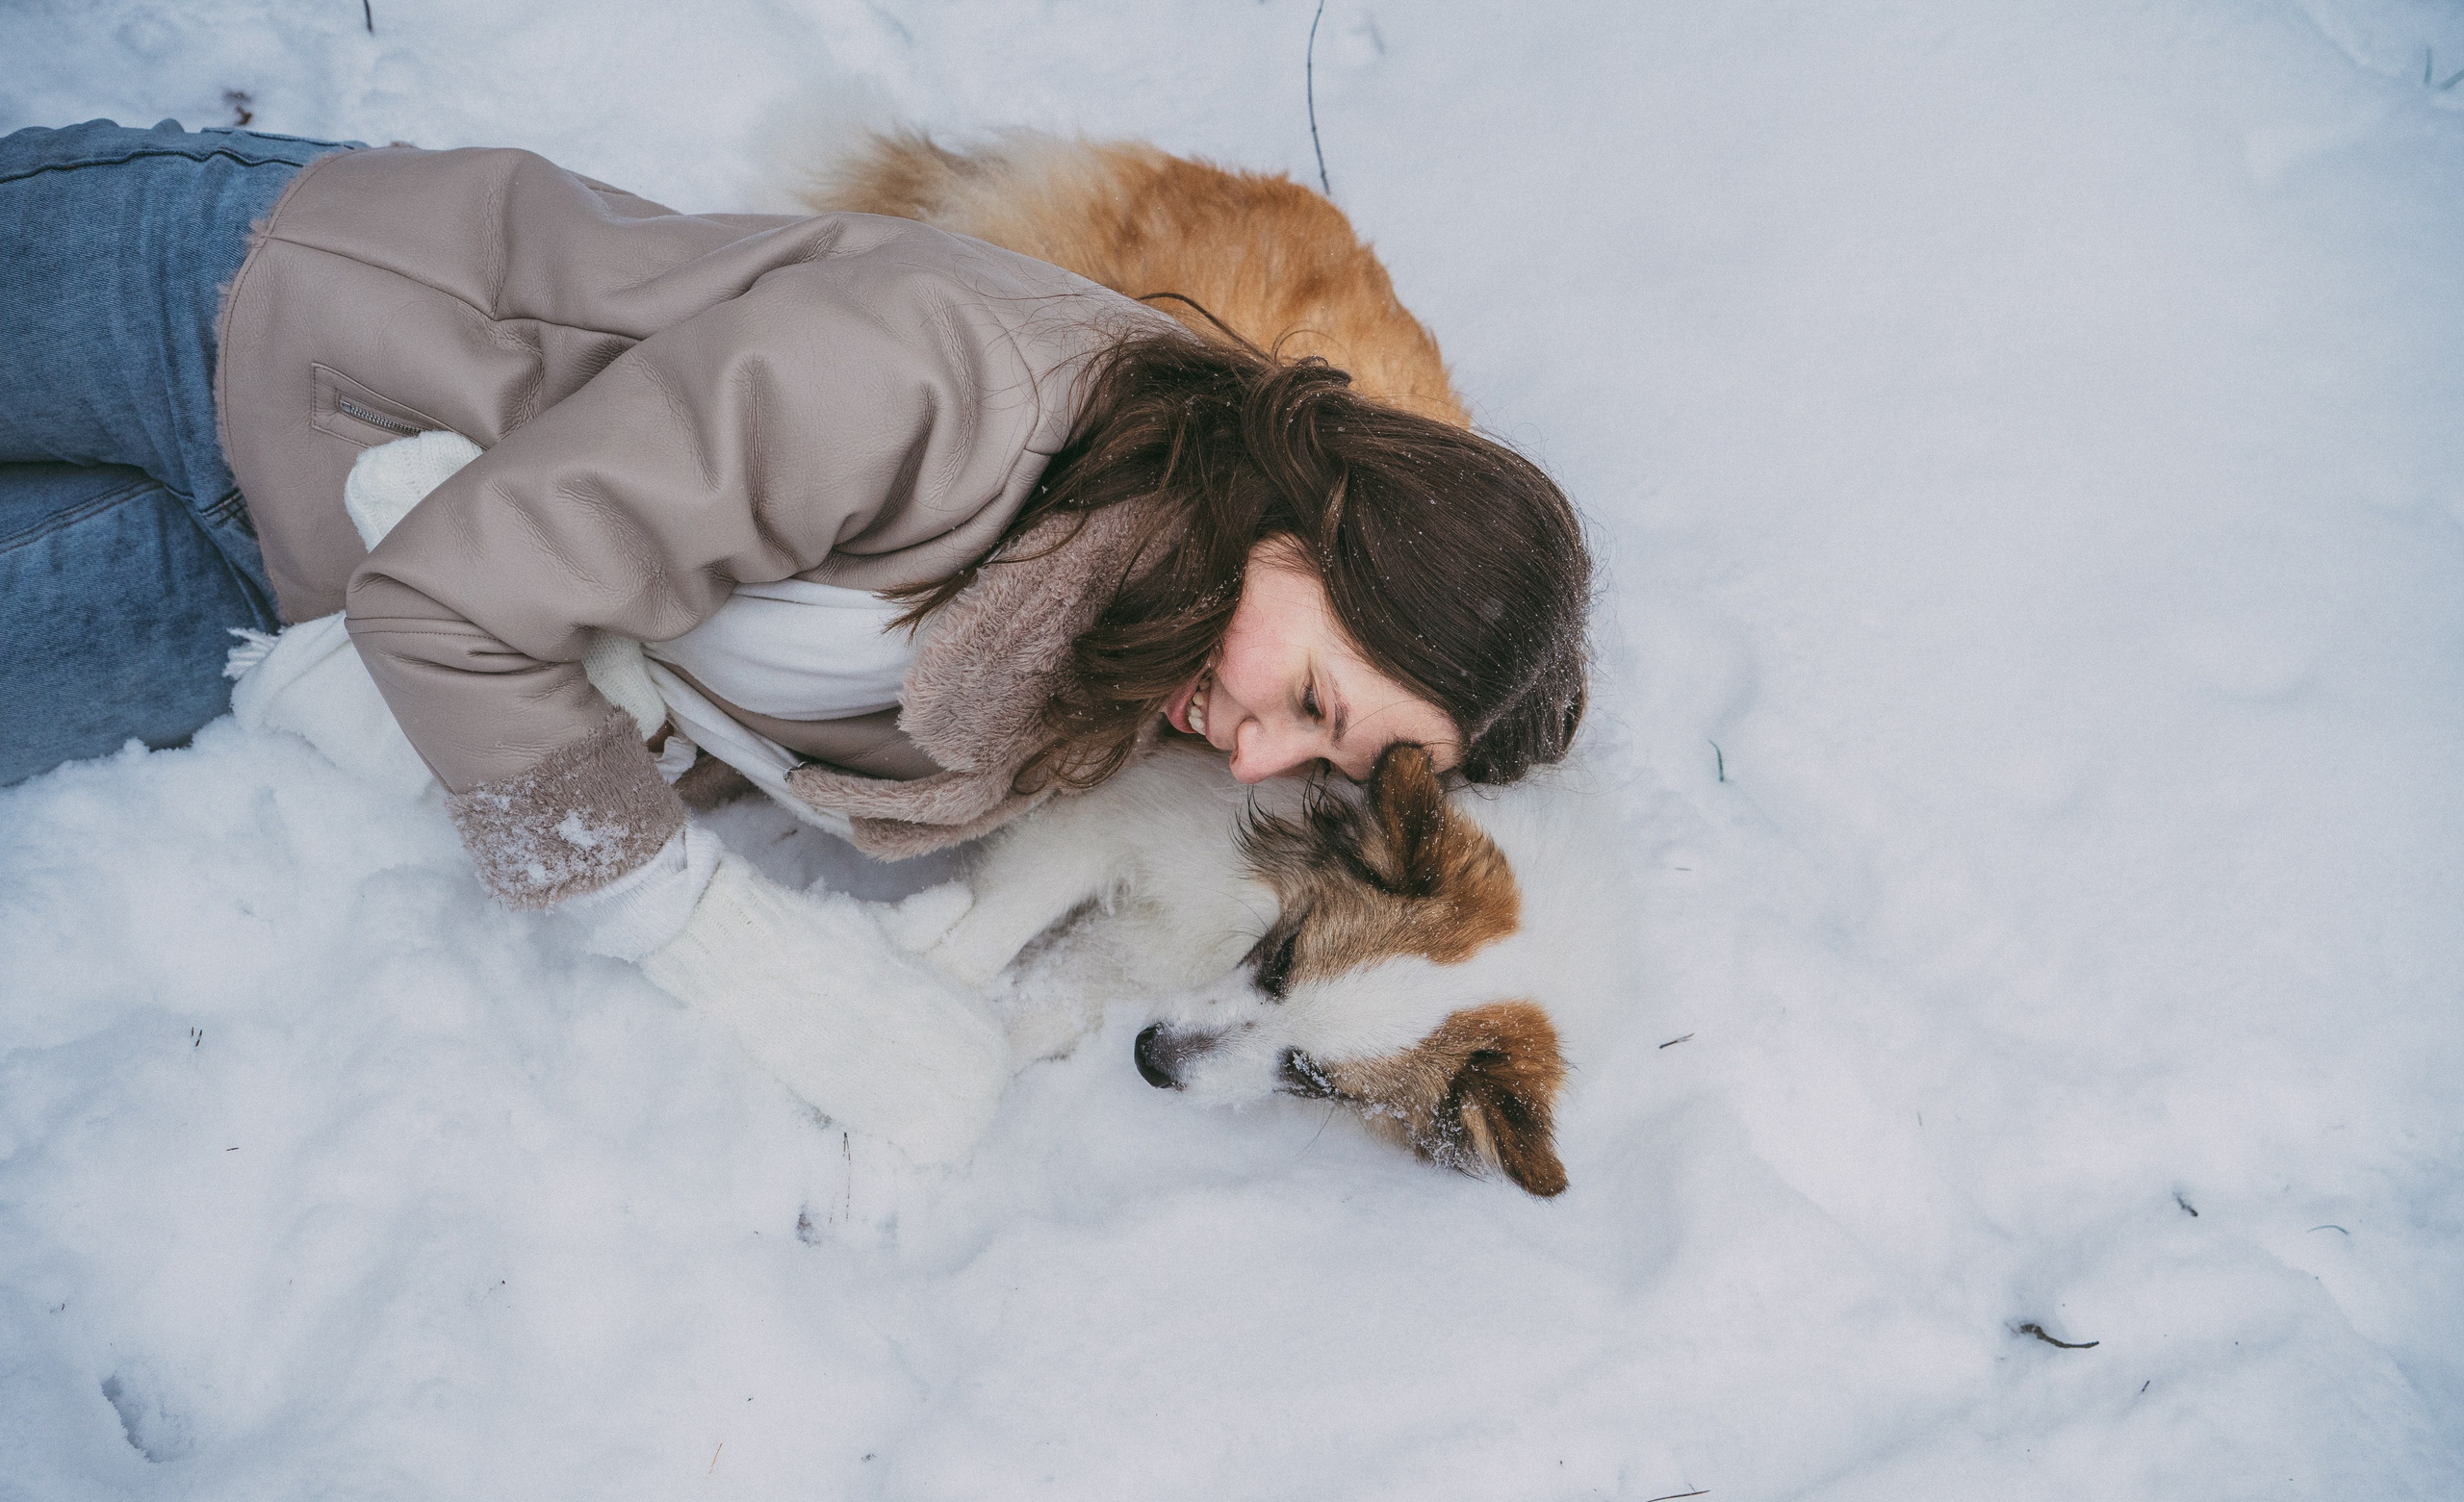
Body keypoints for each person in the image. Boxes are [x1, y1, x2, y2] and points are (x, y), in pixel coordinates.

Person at [1, 119, 1590, 1157]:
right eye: (1305, 693)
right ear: (1311, 517)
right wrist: (728, 951)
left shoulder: (1128, 638)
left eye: (1324, 754)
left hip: (292, 573)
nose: (1257, 758)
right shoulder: (954, 394)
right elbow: (452, 603)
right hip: (258, 314)